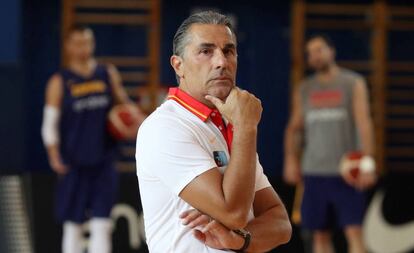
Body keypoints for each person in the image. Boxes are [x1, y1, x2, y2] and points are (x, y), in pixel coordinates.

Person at [136, 11, 291, 253]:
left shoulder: (230, 124)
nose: (221, 62)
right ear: (178, 65)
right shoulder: (165, 126)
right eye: (206, 51)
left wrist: (239, 240)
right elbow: (234, 212)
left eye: (228, 51)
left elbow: (280, 223)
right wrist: (247, 128)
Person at [41, 26, 137, 253]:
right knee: (73, 224)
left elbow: (123, 105)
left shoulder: (106, 73)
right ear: (68, 46)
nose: (82, 47)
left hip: (104, 158)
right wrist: (53, 154)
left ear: (92, 44)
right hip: (73, 160)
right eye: (77, 42)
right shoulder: (60, 81)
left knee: (102, 222)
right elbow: (50, 123)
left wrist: (134, 119)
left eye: (86, 42)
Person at [283, 34, 377, 253]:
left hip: (347, 172)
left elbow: (365, 123)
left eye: (319, 50)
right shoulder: (305, 88)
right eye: (310, 53)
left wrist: (368, 163)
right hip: (314, 171)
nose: (314, 56)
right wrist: (290, 159)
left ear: (331, 51)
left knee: (354, 232)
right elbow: (294, 128)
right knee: (319, 234)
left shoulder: (352, 83)